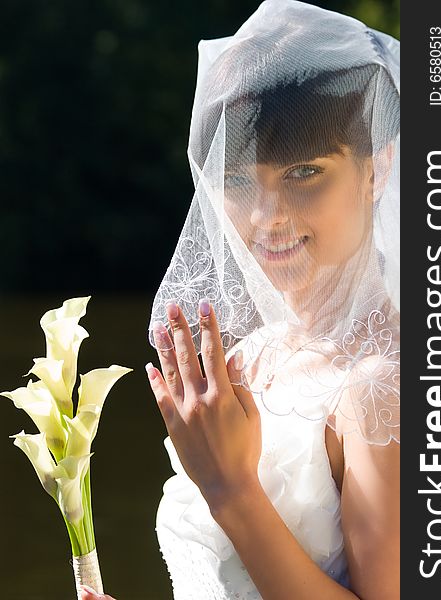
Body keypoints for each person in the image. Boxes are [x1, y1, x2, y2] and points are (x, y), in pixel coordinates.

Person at [81, 1, 400, 598]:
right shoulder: (254, 359)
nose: (265, 217)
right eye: (237, 179)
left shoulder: (382, 388)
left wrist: (232, 492)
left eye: (304, 172)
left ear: (375, 169)